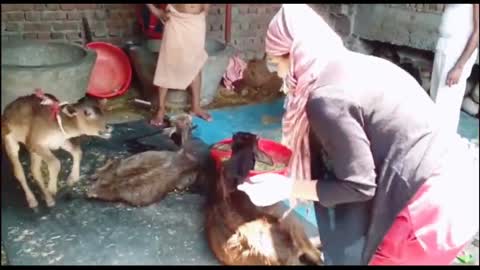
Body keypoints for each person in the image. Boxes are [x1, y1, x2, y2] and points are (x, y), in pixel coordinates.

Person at [237, 4, 479, 265]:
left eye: (276, 64)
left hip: (429, 211)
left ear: (295, 54)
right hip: (462, 186)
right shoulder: (356, 64)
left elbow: (359, 186)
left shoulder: (326, 98)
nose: (281, 75)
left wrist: (287, 187)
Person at [146, 4, 212, 128]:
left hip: (197, 21)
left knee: (195, 62)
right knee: (167, 63)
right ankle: (161, 110)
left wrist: (206, 9)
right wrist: (154, 10)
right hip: (176, 20)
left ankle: (196, 107)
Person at [430, 4, 479, 134]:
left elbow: (477, 32)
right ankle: (432, 146)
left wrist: (459, 66)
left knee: (445, 106)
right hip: (444, 47)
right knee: (435, 102)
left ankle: (442, 147)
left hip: (456, 53)